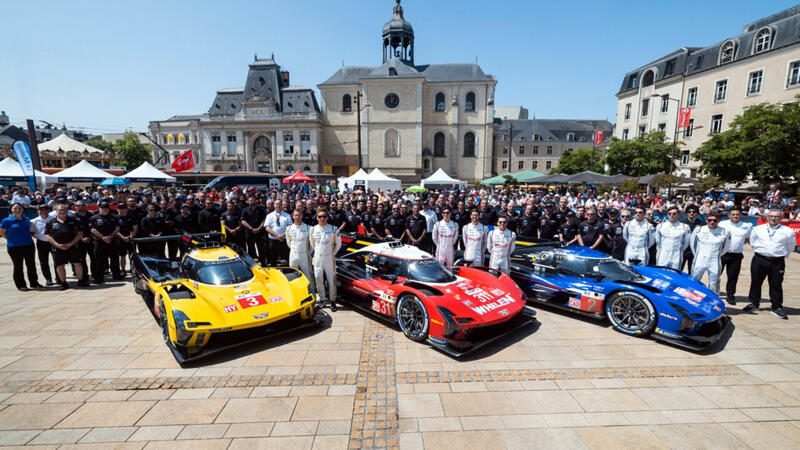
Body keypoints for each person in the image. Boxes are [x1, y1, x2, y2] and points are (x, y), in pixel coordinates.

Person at [744, 208, 796, 319]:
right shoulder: (758, 229)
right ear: (767, 217)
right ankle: (754, 303)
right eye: (771, 216)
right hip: (759, 259)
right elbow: (753, 242)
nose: (773, 218)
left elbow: (790, 246)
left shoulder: (788, 231)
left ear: (781, 218)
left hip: (777, 262)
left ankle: (776, 307)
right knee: (756, 282)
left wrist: (781, 255)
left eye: (776, 216)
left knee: (776, 284)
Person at [0, 203, 41, 291]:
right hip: (14, 247)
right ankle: (21, 285)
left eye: (20, 208)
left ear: (23, 209)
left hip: (29, 245)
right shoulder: (6, 221)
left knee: (31, 265)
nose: (18, 209)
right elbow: (2, 232)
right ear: (11, 209)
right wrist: (10, 239)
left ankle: (34, 283)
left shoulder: (26, 219)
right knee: (18, 266)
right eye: (15, 208)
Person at [46, 204, 87, 290]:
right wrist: (57, 245)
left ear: (67, 211)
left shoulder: (74, 221)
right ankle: (63, 283)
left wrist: (70, 244)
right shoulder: (51, 222)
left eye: (64, 209)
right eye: (60, 210)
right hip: (58, 247)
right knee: (60, 265)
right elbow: (48, 236)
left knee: (77, 264)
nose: (62, 211)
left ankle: (81, 281)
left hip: (73, 246)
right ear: (56, 211)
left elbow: (80, 234)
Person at [689, 212, 730, 295]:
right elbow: (693, 244)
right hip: (700, 259)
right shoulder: (699, 230)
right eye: (709, 220)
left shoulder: (725, 232)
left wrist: (717, 255)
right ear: (706, 220)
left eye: (715, 220)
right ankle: (691, 298)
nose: (712, 222)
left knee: (714, 282)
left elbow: (726, 247)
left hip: (715, 260)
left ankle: (713, 301)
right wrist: (697, 254)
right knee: (694, 280)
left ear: (719, 221)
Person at [719, 207, 752, 305]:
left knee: (733, 277)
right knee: (716, 275)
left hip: (736, 255)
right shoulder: (722, 224)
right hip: (722, 254)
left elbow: (746, 239)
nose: (735, 216)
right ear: (729, 215)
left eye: (737, 214)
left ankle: (730, 295)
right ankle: (713, 293)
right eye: (733, 214)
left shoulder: (746, 226)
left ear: (740, 215)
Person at [310, 208, 341, 310]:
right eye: (320, 217)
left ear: (327, 218)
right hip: (318, 258)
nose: (322, 218)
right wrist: (319, 252)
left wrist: (332, 253)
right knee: (318, 278)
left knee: (331, 279)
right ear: (317, 218)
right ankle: (323, 299)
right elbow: (313, 244)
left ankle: (332, 300)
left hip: (329, 258)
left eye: (324, 216)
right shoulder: (313, 229)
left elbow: (338, 245)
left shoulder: (334, 229)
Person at [89, 201, 122, 283]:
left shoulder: (114, 217)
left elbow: (117, 228)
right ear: (99, 208)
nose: (105, 209)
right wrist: (103, 237)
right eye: (103, 208)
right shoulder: (94, 218)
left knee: (114, 259)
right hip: (99, 242)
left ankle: (116, 275)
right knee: (99, 260)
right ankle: (99, 277)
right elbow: (92, 229)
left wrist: (110, 236)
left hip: (112, 240)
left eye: (106, 208)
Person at [286, 209, 314, 285]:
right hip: (293, 255)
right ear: (293, 216)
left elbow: (312, 244)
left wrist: (307, 252)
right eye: (295, 215)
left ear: (302, 216)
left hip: (304, 255)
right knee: (292, 273)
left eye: (299, 215)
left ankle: (311, 290)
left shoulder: (309, 228)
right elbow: (289, 242)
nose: (297, 217)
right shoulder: (289, 228)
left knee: (308, 274)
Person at [30, 204, 55, 285]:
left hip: (54, 242)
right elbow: (32, 232)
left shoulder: (54, 219)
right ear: (38, 211)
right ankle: (48, 279)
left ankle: (59, 277)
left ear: (48, 210)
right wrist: (40, 238)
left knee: (57, 260)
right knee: (43, 261)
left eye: (45, 210)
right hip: (41, 243)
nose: (43, 212)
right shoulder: (34, 221)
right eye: (41, 210)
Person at [264, 199, 291, 266]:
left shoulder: (287, 215)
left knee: (284, 257)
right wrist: (277, 235)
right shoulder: (269, 216)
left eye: (279, 204)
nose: (278, 205)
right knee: (273, 257)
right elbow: (267, 228)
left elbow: (290, 227)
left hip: (284, 240)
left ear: (282, 205)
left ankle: (285, 272)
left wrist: (282, 236)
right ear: (274, 205)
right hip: (273, 240)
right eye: (276, 204)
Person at [680, 205, 705, 272]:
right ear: (687, 213)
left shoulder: (702, 224)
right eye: (689, 212)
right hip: (683, 250)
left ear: (697, 213)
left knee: (692, 271)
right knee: (679, 270)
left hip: (695, 251)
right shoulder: (682, 223)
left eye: (693, 212)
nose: (691, 213)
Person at [116, 203, 138, 273]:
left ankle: (133, 269)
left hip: (130, 239)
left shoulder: (131, 217)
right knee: (122, 256)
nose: (122, 210)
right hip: (120, 239)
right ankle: (123, 270)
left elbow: (135, 227)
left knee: (132, 255)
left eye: (123, 208)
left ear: (126, 209)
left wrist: (132, 236)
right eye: (120, 208)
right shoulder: (116, 218)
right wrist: (123, 238)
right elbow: (115, 230)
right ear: (117, 209)